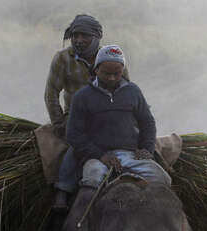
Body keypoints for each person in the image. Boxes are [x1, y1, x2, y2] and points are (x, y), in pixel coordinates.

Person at [66, 45, 171, 207]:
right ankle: (80, 224)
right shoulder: (82, 96)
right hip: (98, 157)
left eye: (117, 73)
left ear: (122, 70)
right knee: (91, 181)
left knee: (162, 178)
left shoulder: (133, 91)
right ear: (96, 69)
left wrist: (146, 148)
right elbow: (73, 134)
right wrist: (100, 155)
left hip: (129, 155)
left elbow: (147, 122)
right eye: (107, 73)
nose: (112, 78)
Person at [45, 14, 129, 211]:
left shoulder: (112, 58)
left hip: (109, 117)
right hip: (76, 119)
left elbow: (126, 92)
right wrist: (59, 125)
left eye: (85, 36)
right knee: (77, 146)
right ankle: (63, 189)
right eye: (75, 35)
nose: (79, 40)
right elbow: (51, 94)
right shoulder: (63, 59)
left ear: (97, 37)